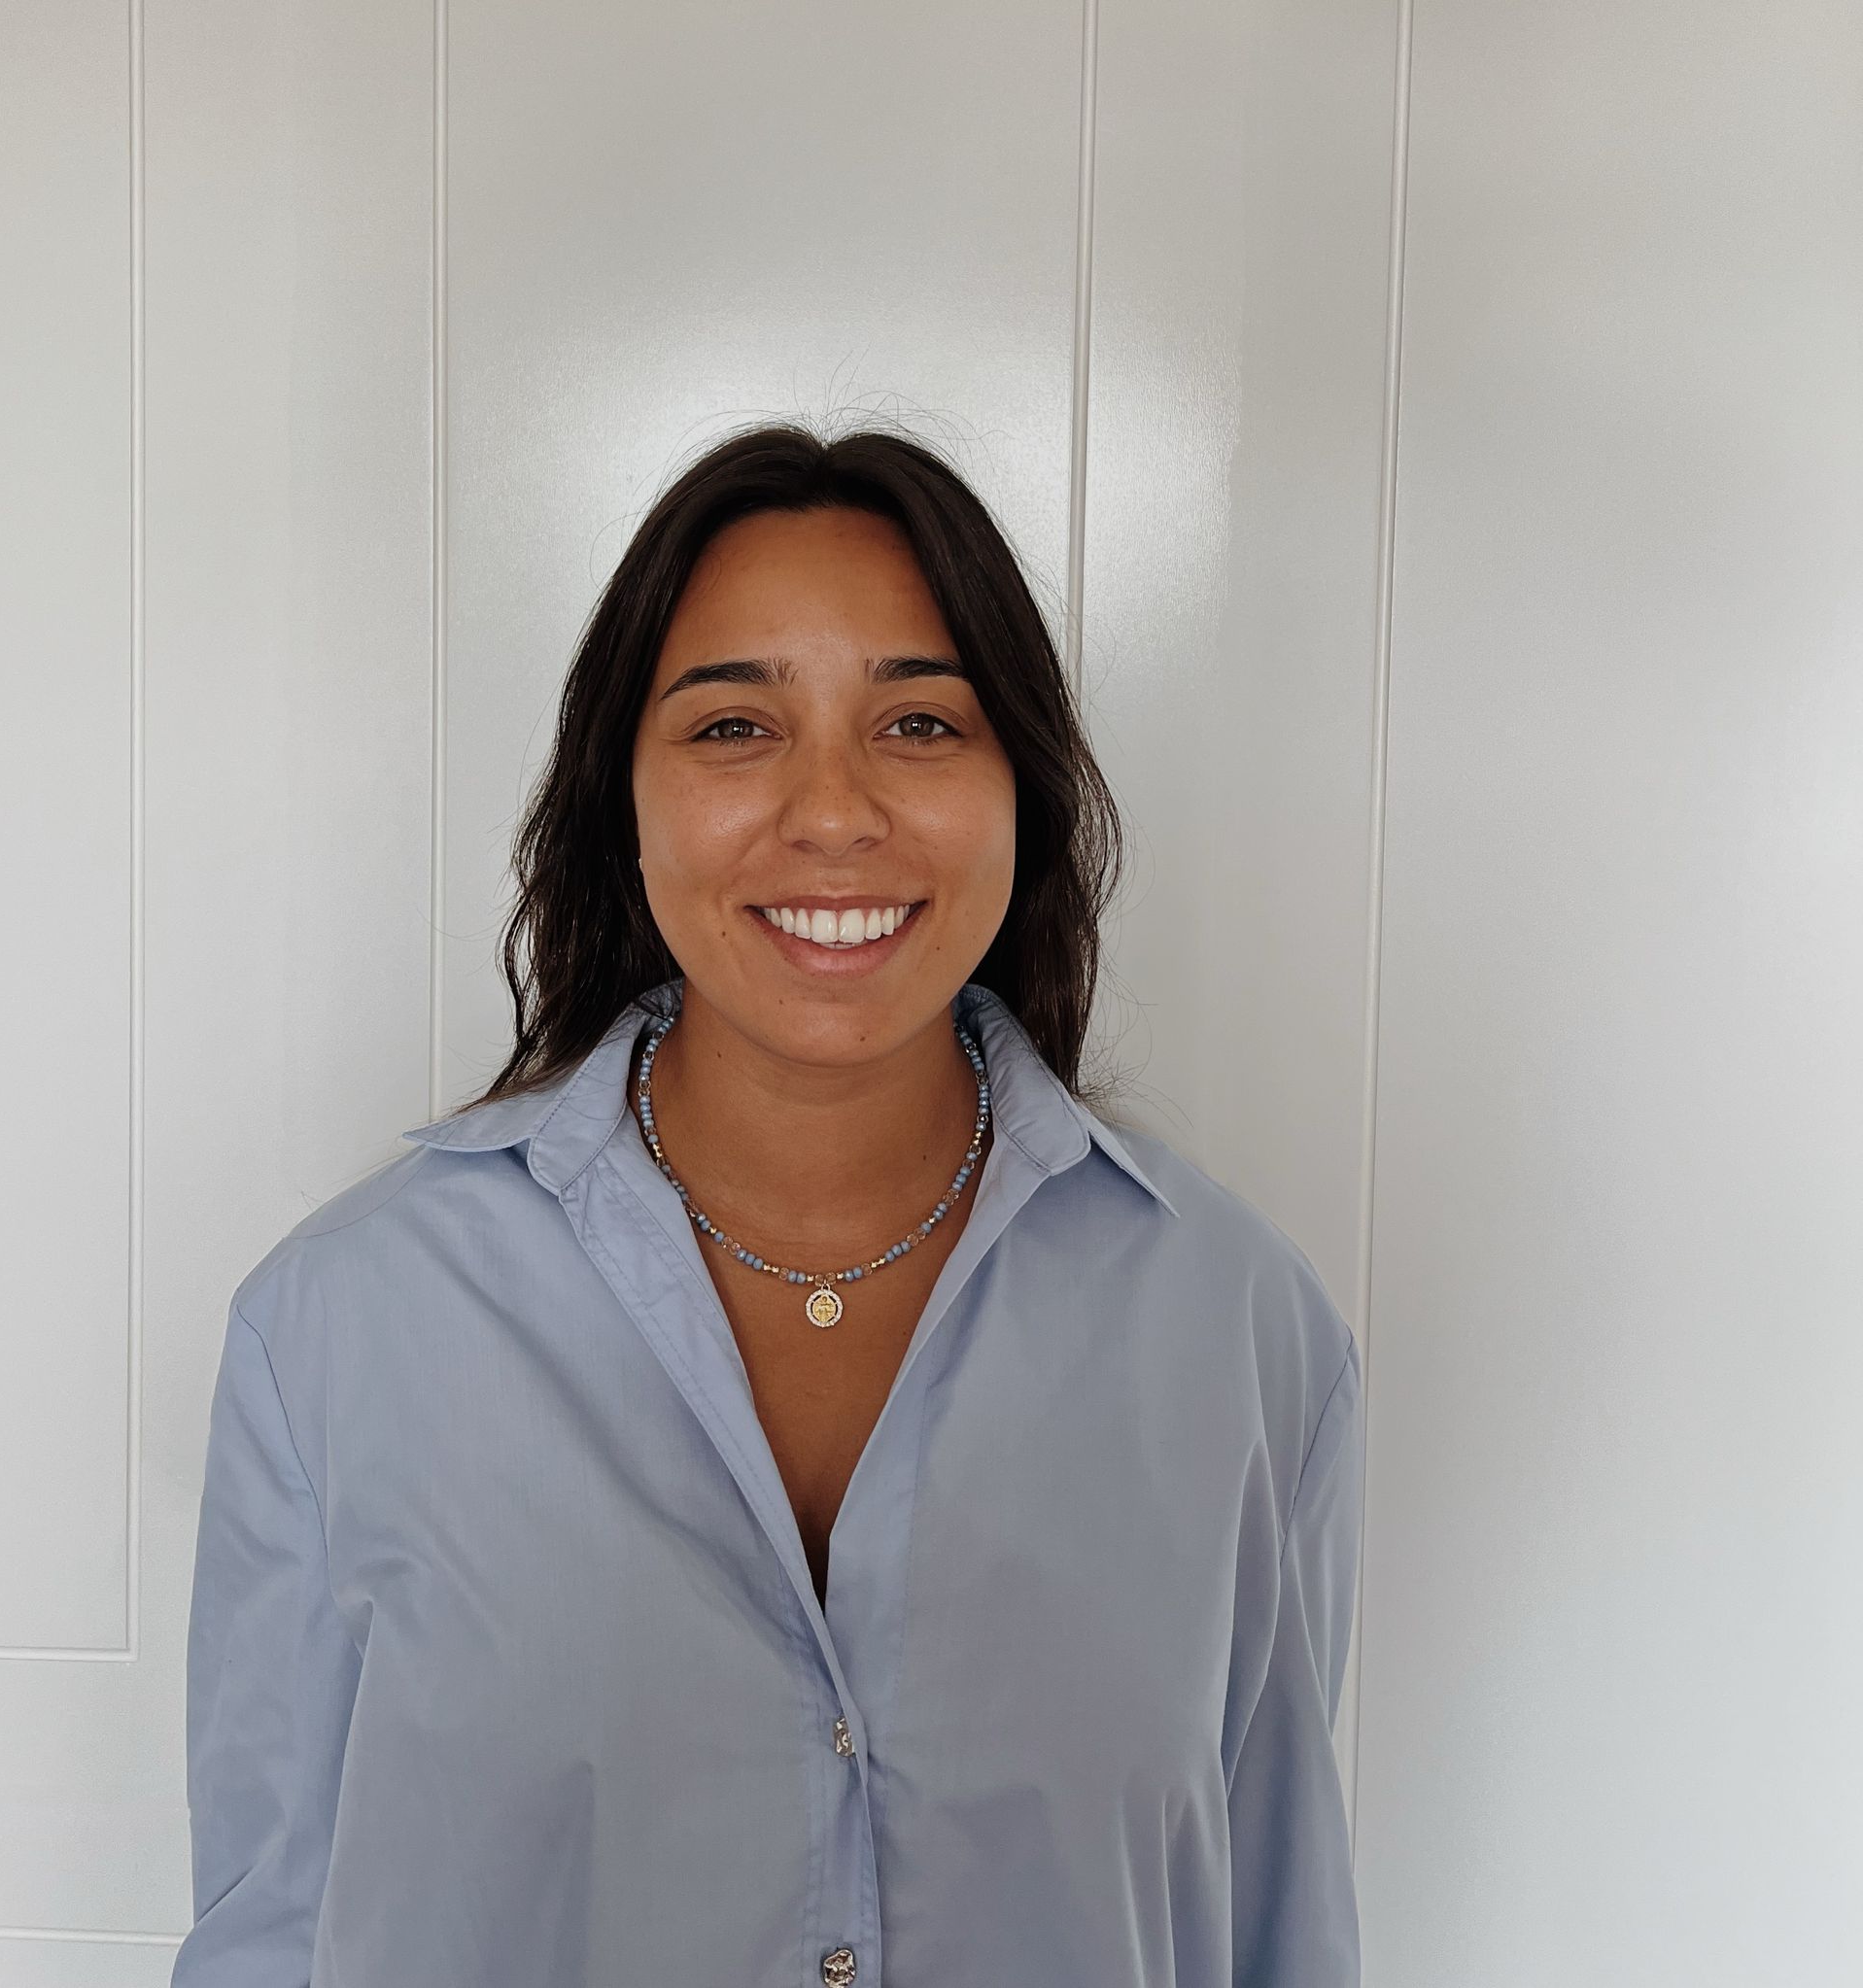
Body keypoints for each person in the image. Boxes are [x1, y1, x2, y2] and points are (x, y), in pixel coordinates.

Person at [172, 423, 1365, 1987]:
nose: (833, 811)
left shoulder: (1243, 1333)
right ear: (622, 795)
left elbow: (1280, 1926)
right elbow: (267, 1938)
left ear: (1020, 783)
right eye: (736, 725)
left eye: (920, 721)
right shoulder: (340, 1327)